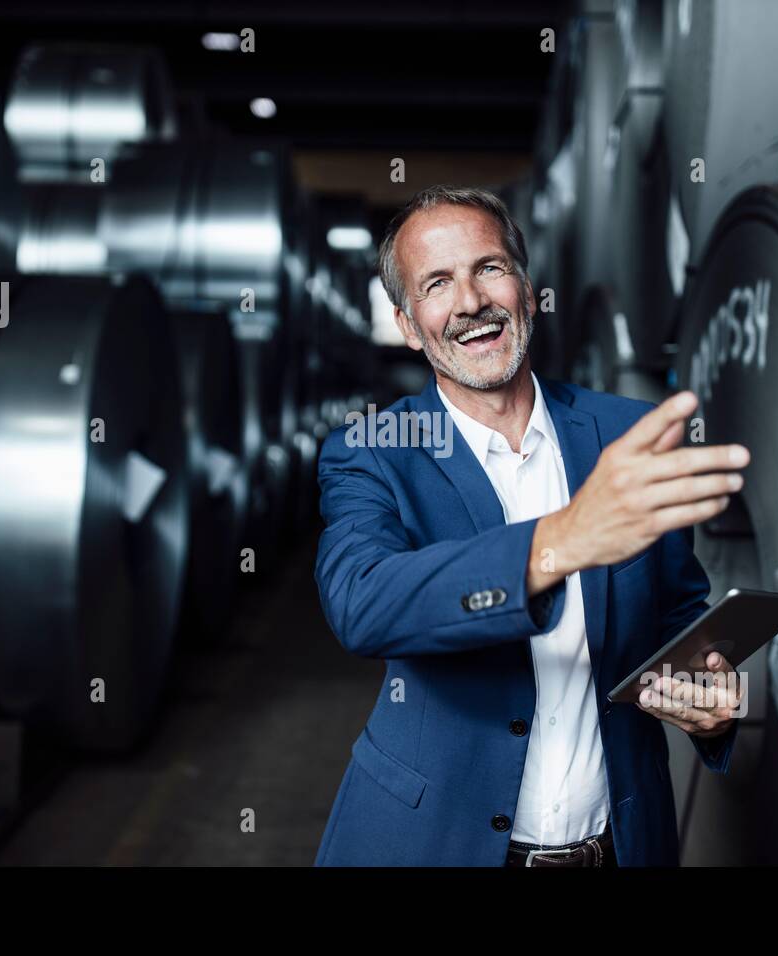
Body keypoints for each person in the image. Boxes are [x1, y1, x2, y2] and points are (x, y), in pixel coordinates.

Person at [313, 185, 749, 867]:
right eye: (436, 283)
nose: (469, 302)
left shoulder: (628, 432)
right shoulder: (374, 447)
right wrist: (561, 540)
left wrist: (706, 696)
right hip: (438, 848)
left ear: (529, 290)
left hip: (619, 847)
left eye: (489, 268)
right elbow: (363, 603)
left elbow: (676, 615)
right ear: (406, 324)